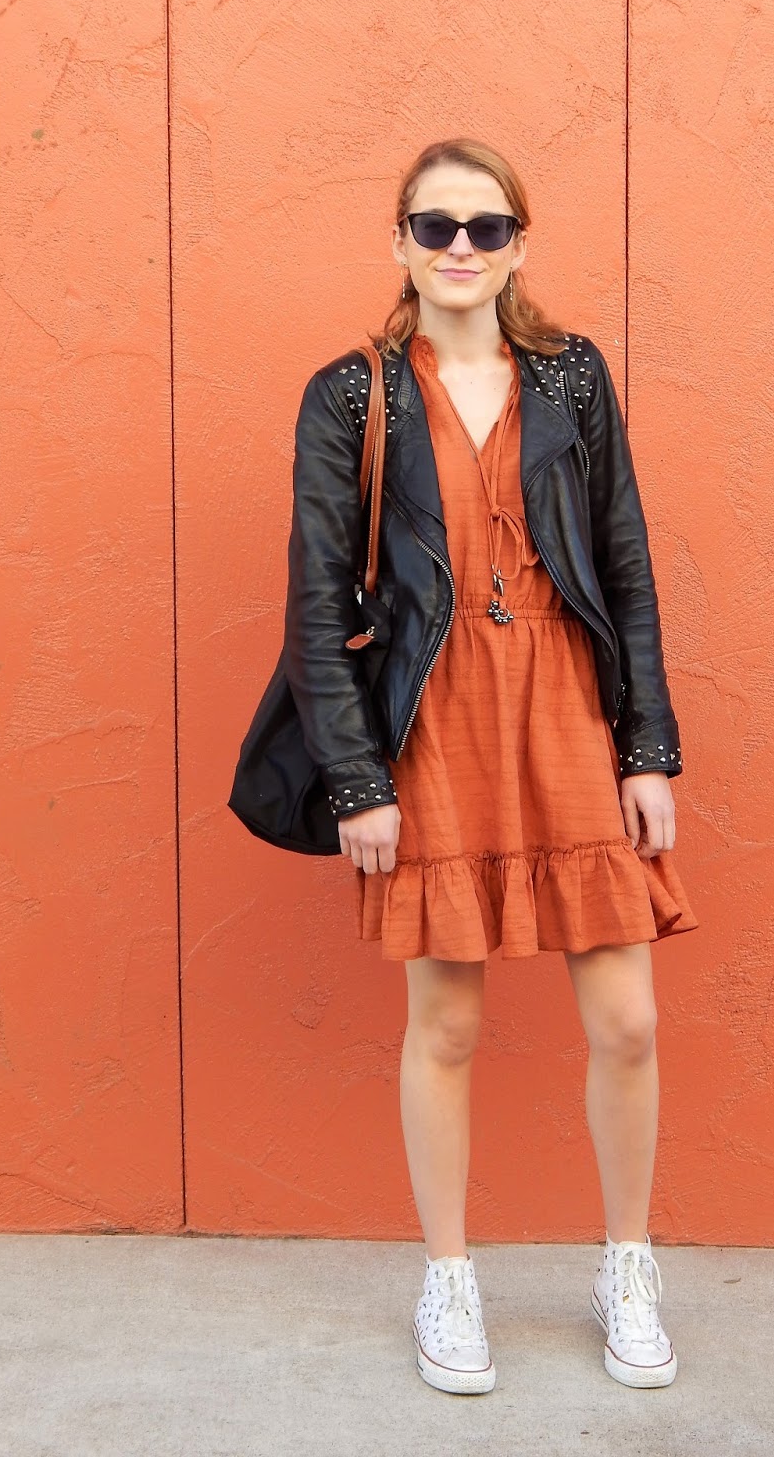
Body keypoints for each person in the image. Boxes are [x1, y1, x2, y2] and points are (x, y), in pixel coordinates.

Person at [285, 138, 700, 1394]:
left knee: (627, 1019)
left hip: (566, 701)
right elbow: (316, 601)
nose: (459, 247)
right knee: (449, 1023)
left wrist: (648, 748)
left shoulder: (571, 375)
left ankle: (628, 1261)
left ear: (520, 243)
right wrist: (357, 778)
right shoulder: (352, 394)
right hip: (436, 716)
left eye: (485, 226)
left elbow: (624, 560)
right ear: (399, 240)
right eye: (435, 226)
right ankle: (449, 1276)